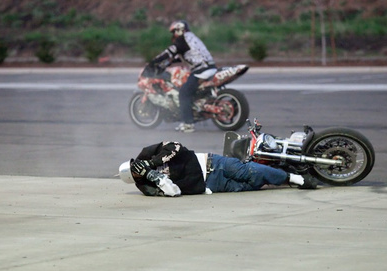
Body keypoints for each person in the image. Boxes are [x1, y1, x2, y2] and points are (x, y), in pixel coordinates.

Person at [118, 141, 318, 197]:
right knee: (252, 186)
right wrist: (154, 176)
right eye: (136, 171)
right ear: (135, 179)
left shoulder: (147, 153)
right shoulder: (146, 186)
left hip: (211, 163)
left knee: (249, 171)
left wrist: (152, 163)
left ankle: (296, 178)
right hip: (210, 185)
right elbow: (174, 192)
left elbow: (176, 146)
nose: (139, 167)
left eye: (136, 164)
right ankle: (280, 175)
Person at [148, 20, 217, 134]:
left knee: (183, 93)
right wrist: (168, 63)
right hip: (209, 67)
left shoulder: (182, 40)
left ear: (179, 30)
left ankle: (188, 124)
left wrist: (154, 62)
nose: (173, 35)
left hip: (201, 69)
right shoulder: (191, 38)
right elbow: (183, 56)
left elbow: (168, 53)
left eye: (174, 32)